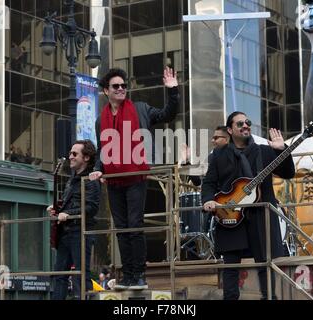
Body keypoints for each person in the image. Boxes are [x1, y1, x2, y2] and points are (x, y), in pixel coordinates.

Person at [89, 67, 179, 290]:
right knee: (121, 227)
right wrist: (99, 169)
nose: (121, 89)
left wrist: (173, 91)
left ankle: (139, 275)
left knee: (134, 226)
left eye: (123, 86)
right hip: (114, 180)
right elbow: (103, 149)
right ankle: (127, 275)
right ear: (106, 91)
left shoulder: (140, 109)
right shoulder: (102, 120)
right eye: (115, 86)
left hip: (136, 176)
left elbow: (167, 114)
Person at [201, 111, 295, 300]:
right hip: (229, 213)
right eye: (240, 124)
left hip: (260, 215)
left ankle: (269, 298)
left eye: (248, 122)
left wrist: (281, 149)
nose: (245, 125)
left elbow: (288, 173)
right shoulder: (219, 154)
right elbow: (209, 182)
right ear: (230, 130)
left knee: (265, 265)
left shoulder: (265, 151)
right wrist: (208, 200)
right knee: (230, 267)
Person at [47, 140, 101, 299]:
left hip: (80, 232)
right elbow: (72, 203)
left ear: (86, 158)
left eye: (74, 154)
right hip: (67, 232)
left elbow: (91, 208)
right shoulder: (72, 180)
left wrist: (68, 214)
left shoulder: (90, 180)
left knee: (80, 275)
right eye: (71, 153)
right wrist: (57, 210)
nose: (70, 156)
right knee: (60, 275)